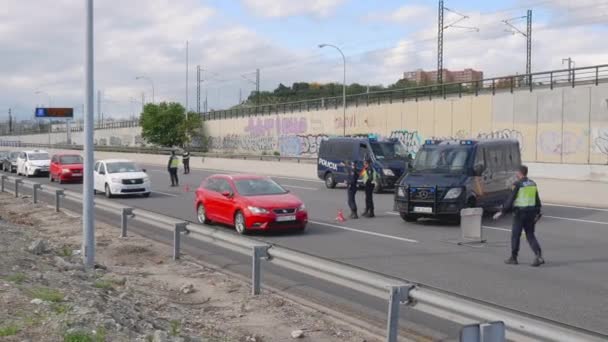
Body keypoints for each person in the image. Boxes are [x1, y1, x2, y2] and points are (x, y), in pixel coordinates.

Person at [494, 165, 544, 267]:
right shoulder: (532, 184)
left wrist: (502, 211)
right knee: (530, 235)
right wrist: (538, 213)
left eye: (517, 173)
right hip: (531, 213)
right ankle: (538, 255)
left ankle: (514, 257)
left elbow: (510, 200)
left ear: (519, 173)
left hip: (520, 214)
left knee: (515, 235)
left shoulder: (517, 184)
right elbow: (537, 200)